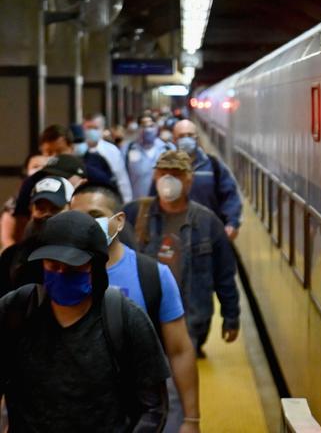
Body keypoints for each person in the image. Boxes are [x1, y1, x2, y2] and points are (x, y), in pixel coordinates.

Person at [0, 211, 170, 431]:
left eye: (73, 267)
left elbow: (154, 408)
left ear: (94, 266)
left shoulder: (125, 319)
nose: (61, 273)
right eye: (53, 265)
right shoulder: (16, 311)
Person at [71, 183, 201, 433]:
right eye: (77, 218)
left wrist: (191, 419)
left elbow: (179, 350)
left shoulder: (152, 275)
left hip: (140, 413)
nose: (86, 225)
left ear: (119, 221)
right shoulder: (60, 274)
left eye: (95, 216)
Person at [123, 150, 240, 356]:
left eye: (176, 174)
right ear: (155, 177)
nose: (169, 180)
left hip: (188, 322)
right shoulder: (134, 214)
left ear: (189, 180)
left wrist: (231, 317)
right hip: (141, 320)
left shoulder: (208, 223)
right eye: (163, 174)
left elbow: (224, 274)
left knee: (177, 381)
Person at [0, 176, 74, 297]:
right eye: (40, 208)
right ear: (31, 209)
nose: (47, 214)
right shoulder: (12, 256)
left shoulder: (83, 254)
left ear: (71, 208)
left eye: (55, 208)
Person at [171, 120, 242, 240]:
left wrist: (232, 223)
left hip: (209, 235)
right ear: (174, 140)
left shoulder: (213, 166)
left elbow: (230, 195)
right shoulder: (166, 170)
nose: (186, 139)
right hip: (175, 235)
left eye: (190, 135)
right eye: (181, 136)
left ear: (197, 138)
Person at [1, 153, 48, 250]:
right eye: (35, 166)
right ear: (26, 170)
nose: (40, 169)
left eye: (44, 166)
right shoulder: (14, 203)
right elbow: (7, 239)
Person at [83, 113, 134, 203]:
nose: (91, 131)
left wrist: (127, 202)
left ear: (102, 129)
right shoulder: (78, 150)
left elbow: (121, 178)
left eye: (95, 128)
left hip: (106, 197)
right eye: (88, 128)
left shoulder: (111, 151)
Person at [124, 115, 175, 199]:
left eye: (151, 126)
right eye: (144, 126)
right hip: (137, 201)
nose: (148, 130)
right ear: (139, 129)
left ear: (156, 127)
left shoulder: (167, 149)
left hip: (162, 202)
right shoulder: (128, 149)